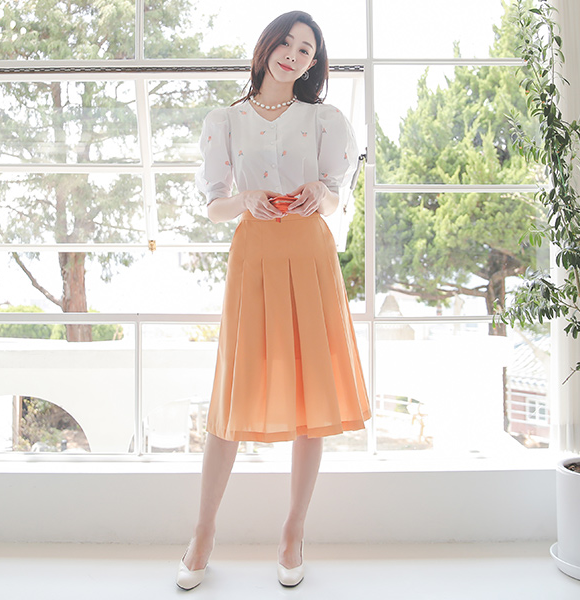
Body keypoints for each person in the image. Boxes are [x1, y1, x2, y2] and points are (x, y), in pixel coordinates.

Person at [176, 10, 371, 590]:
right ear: (266, 47)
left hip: (310, 257)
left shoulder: (326, 120)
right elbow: (213, 205)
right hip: (255, 258)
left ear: (313, 63)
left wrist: (318, 193)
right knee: (233, 395)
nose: (292, 54)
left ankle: (293, 532)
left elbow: (337, 198)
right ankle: (203, 532)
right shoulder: (225, 120)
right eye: (285, 42)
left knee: (311, 395)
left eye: (305, 49)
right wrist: (246, 199)